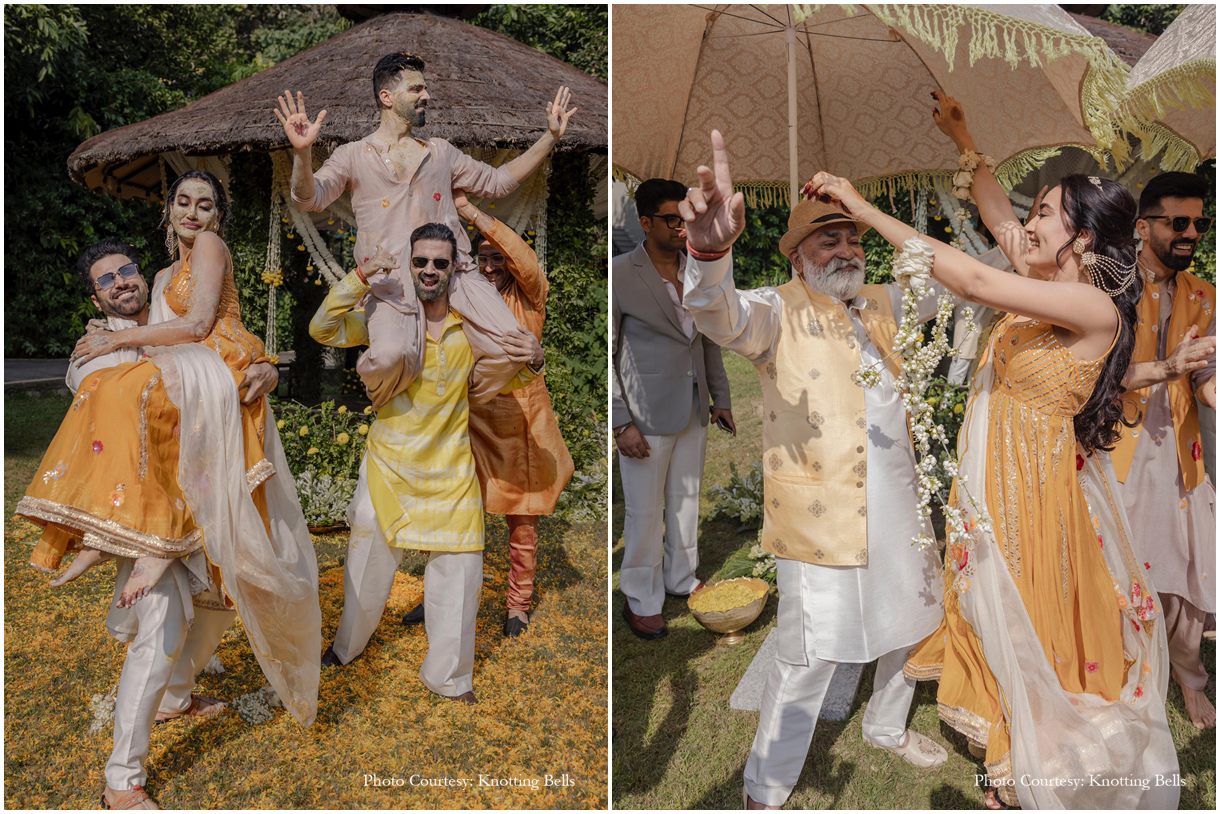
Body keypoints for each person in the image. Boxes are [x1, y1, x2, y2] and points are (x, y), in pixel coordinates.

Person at [822, 92, 1174, 809]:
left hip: (1029, 484)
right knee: (989, 608)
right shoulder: (1045, 277)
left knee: (1019, 612)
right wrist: (964, 136)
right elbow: (994, 215)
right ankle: (1017, 747)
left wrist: (862, 211)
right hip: (994, 469)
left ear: (1081, 237)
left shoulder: (1094, 308)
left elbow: (976, 280)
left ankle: (1029, 767)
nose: (1029, 222)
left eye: (1045, 212)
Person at [17, 170, 321, 805]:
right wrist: (131, 350)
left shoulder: (168, 291)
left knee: (222, 592)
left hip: (205, 471)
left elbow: (201, 331)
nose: (123, 282)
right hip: (150, 500)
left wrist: (260, 365)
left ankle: (176, 698)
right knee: (164, 618)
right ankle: (121, 781)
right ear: (96, 301)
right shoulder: (92, 356)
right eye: (107, 281)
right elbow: (156, 379)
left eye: (125, 270)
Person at [677, 134, 949, 810]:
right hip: (819, 518)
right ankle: (764, 788)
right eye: (825, 243)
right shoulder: (775, 309)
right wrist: (710, 254)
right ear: (796, 258)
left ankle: (886, 725)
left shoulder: (886, 301)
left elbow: (957, 278)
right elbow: (719, 313)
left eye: (851, 240)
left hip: (899, 506)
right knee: (808, 656)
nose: (844, 252)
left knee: (910, 623)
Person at [310, 223, 544, 704]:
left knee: (460, 575)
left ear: (455, 265)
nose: (430, 270)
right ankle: (345, 647)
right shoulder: (385, 318)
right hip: (390, 464)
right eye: (421, 262)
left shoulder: (473, 324)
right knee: (366, 564)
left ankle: (449, 678)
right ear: (410, 264)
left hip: (451, 469)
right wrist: (359, 278)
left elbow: (515, 371)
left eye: (440, 262)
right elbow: (324, 328)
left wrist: (536, 357)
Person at [276, 52, 575, 407]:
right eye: (416, 88)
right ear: (387, 97)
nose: (426, 96)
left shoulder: (442, 153)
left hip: (456, 276)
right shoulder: (353, 155)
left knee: (514, 349)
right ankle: (390, 408)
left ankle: (455, 405)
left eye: (426, 88)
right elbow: (308, 198)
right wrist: (303, 153)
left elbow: (498, 182)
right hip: (391, 285)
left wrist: (550, 137)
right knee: (388, 357)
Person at [401, 191, 574, 637]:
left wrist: (475, 215)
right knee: (452, 518)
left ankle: (517, 605)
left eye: (499, 258)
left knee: (522, 527)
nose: (492, 265)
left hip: (524, 426)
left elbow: (527, 263)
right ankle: (437, 595)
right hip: (473, 423)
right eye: (483, 258)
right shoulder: (465, 298)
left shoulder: (530, 296)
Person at [1114, 171, 1216, 729]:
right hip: (1117, 449)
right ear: (1142, 225)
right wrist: (1169, 367)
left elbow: (1205, 381)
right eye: (1179, 222)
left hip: (1181, 449)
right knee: (1119, 569)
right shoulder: (1111, 286)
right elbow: (1093, 377)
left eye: (1200, 222)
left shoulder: (1204, 294)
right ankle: (1125, 674)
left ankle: (1189, 676)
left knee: (1185, 575)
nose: (1192, 232)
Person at [612, 178, 734, 640]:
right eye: (672, 218)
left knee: (685, 501)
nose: (684, 226)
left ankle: (682, 579)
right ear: (645, 222)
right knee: (643, 512)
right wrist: (620, 420)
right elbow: (610, 351)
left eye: (687, 216)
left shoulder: (699, 271)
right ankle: (641, 599)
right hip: (643, 414)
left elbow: (707, 341)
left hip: (693, 406)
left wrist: (720, 398)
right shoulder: (620, 273)